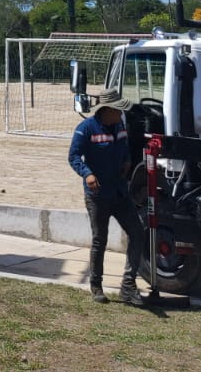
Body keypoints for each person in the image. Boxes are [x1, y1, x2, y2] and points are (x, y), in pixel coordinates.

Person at [68, 88, 145, 305]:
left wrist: (128, 160)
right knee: (99, 240)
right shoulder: (85, 129)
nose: (121, 115)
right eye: (118, 111)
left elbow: (125, 147)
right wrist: (87, 174)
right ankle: (96, 286)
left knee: (137, 233)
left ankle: (128, 286)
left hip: (120, 192)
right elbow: (73, 156)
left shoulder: (119, 126)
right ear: (107, 110)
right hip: (98, 195)